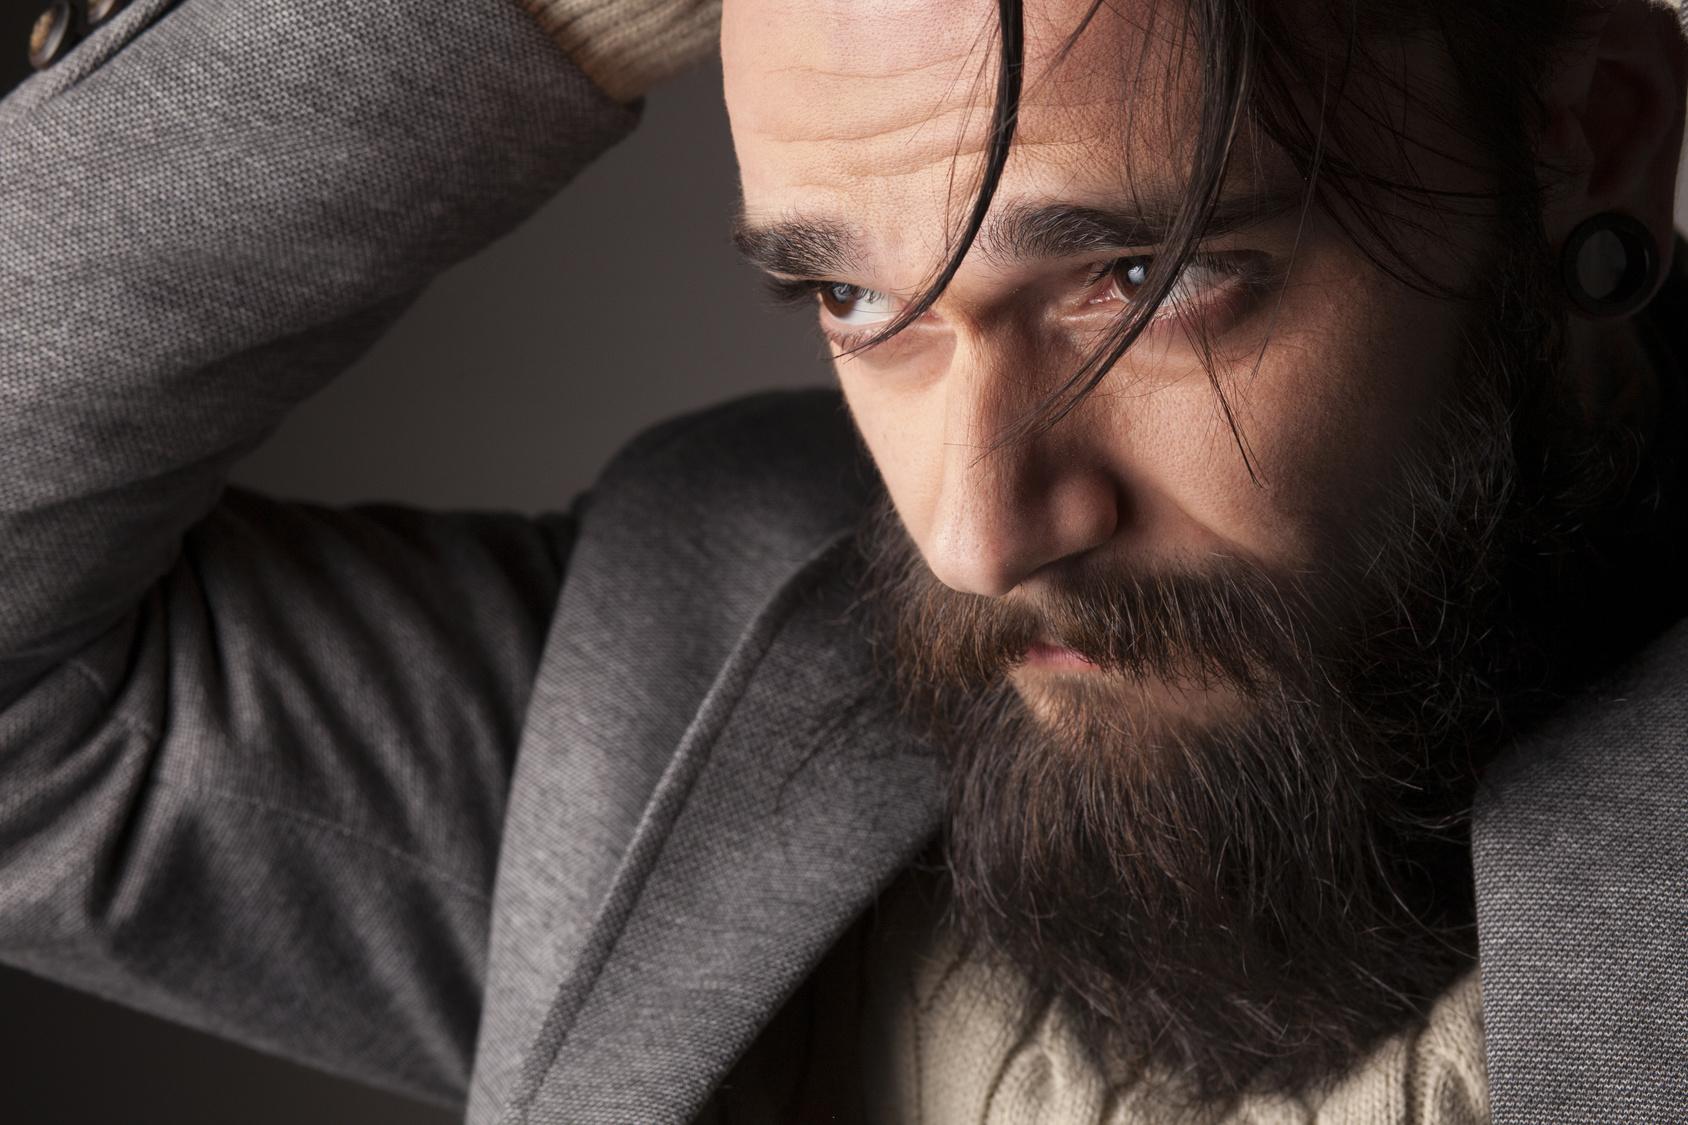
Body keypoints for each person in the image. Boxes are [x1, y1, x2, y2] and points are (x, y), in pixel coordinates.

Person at [1, 0, 1684, 1119]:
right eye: (857, 302)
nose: (973, 535)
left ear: (1593, 138)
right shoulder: (693, 690)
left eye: (1146, 277)